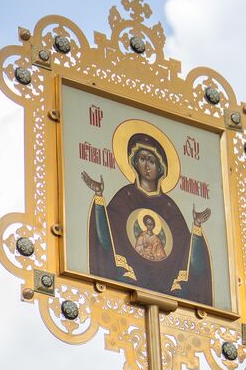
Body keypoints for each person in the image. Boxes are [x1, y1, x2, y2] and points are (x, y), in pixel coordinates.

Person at [81, 125, 213, 305]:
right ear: (134, 162)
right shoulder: (125, 196)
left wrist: (196, 228)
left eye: (152, 161)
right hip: (129, 277)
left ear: (161, 168)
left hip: (168, 281)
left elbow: (186, 254)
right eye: (142, 159)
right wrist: (98, 198)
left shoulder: (170, 206)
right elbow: (107, 239)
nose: (146, 165)